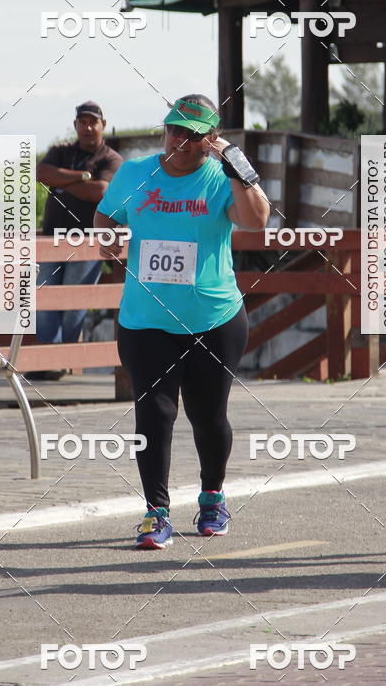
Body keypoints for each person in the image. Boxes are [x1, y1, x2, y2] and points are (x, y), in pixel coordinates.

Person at [94, 94, 270, 549]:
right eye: (175, 130)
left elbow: (255, 220)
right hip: (146, 319)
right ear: (164, 130)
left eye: (194, 135)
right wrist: (108, 238)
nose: (181, 142)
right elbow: (106, 216)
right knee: (154, 413)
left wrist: (234, 162)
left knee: (208, 416)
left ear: (211, 140)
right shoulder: (134, 173)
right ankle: (156, 513)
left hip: (213, 318)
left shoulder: (219, 178)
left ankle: (212, 496)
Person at [33, 101, 122, 379]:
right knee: (44, 298)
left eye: (92, 122)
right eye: (82, 122)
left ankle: (64, 360)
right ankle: (45, 361)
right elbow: (41, 173)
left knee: (74, 303)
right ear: (75, 126)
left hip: (88, 241)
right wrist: (81, 177)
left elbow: (100, 191)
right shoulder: (61, 151)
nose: (87, 127)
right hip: (52, 239)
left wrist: (62, 184)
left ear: (103, 125)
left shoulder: (110, 159)